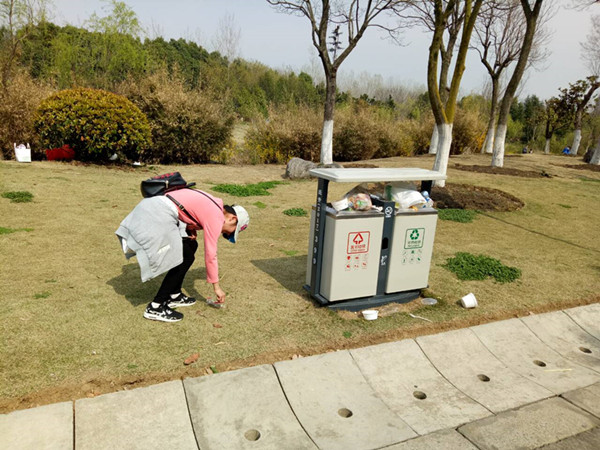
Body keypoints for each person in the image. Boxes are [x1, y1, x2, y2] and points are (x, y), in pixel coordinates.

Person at [115, 188, 249, 323]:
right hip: (158, 213)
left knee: (191, 246)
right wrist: (217, 287)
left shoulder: (215, 205)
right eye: (230, 232)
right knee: (185, 257)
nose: (225, 234)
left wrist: (191, 230)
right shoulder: (216, 217)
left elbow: (188, 210)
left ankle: (174, 295)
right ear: (232, 218)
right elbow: (211, 254)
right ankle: (155, 307)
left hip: (156, 207)